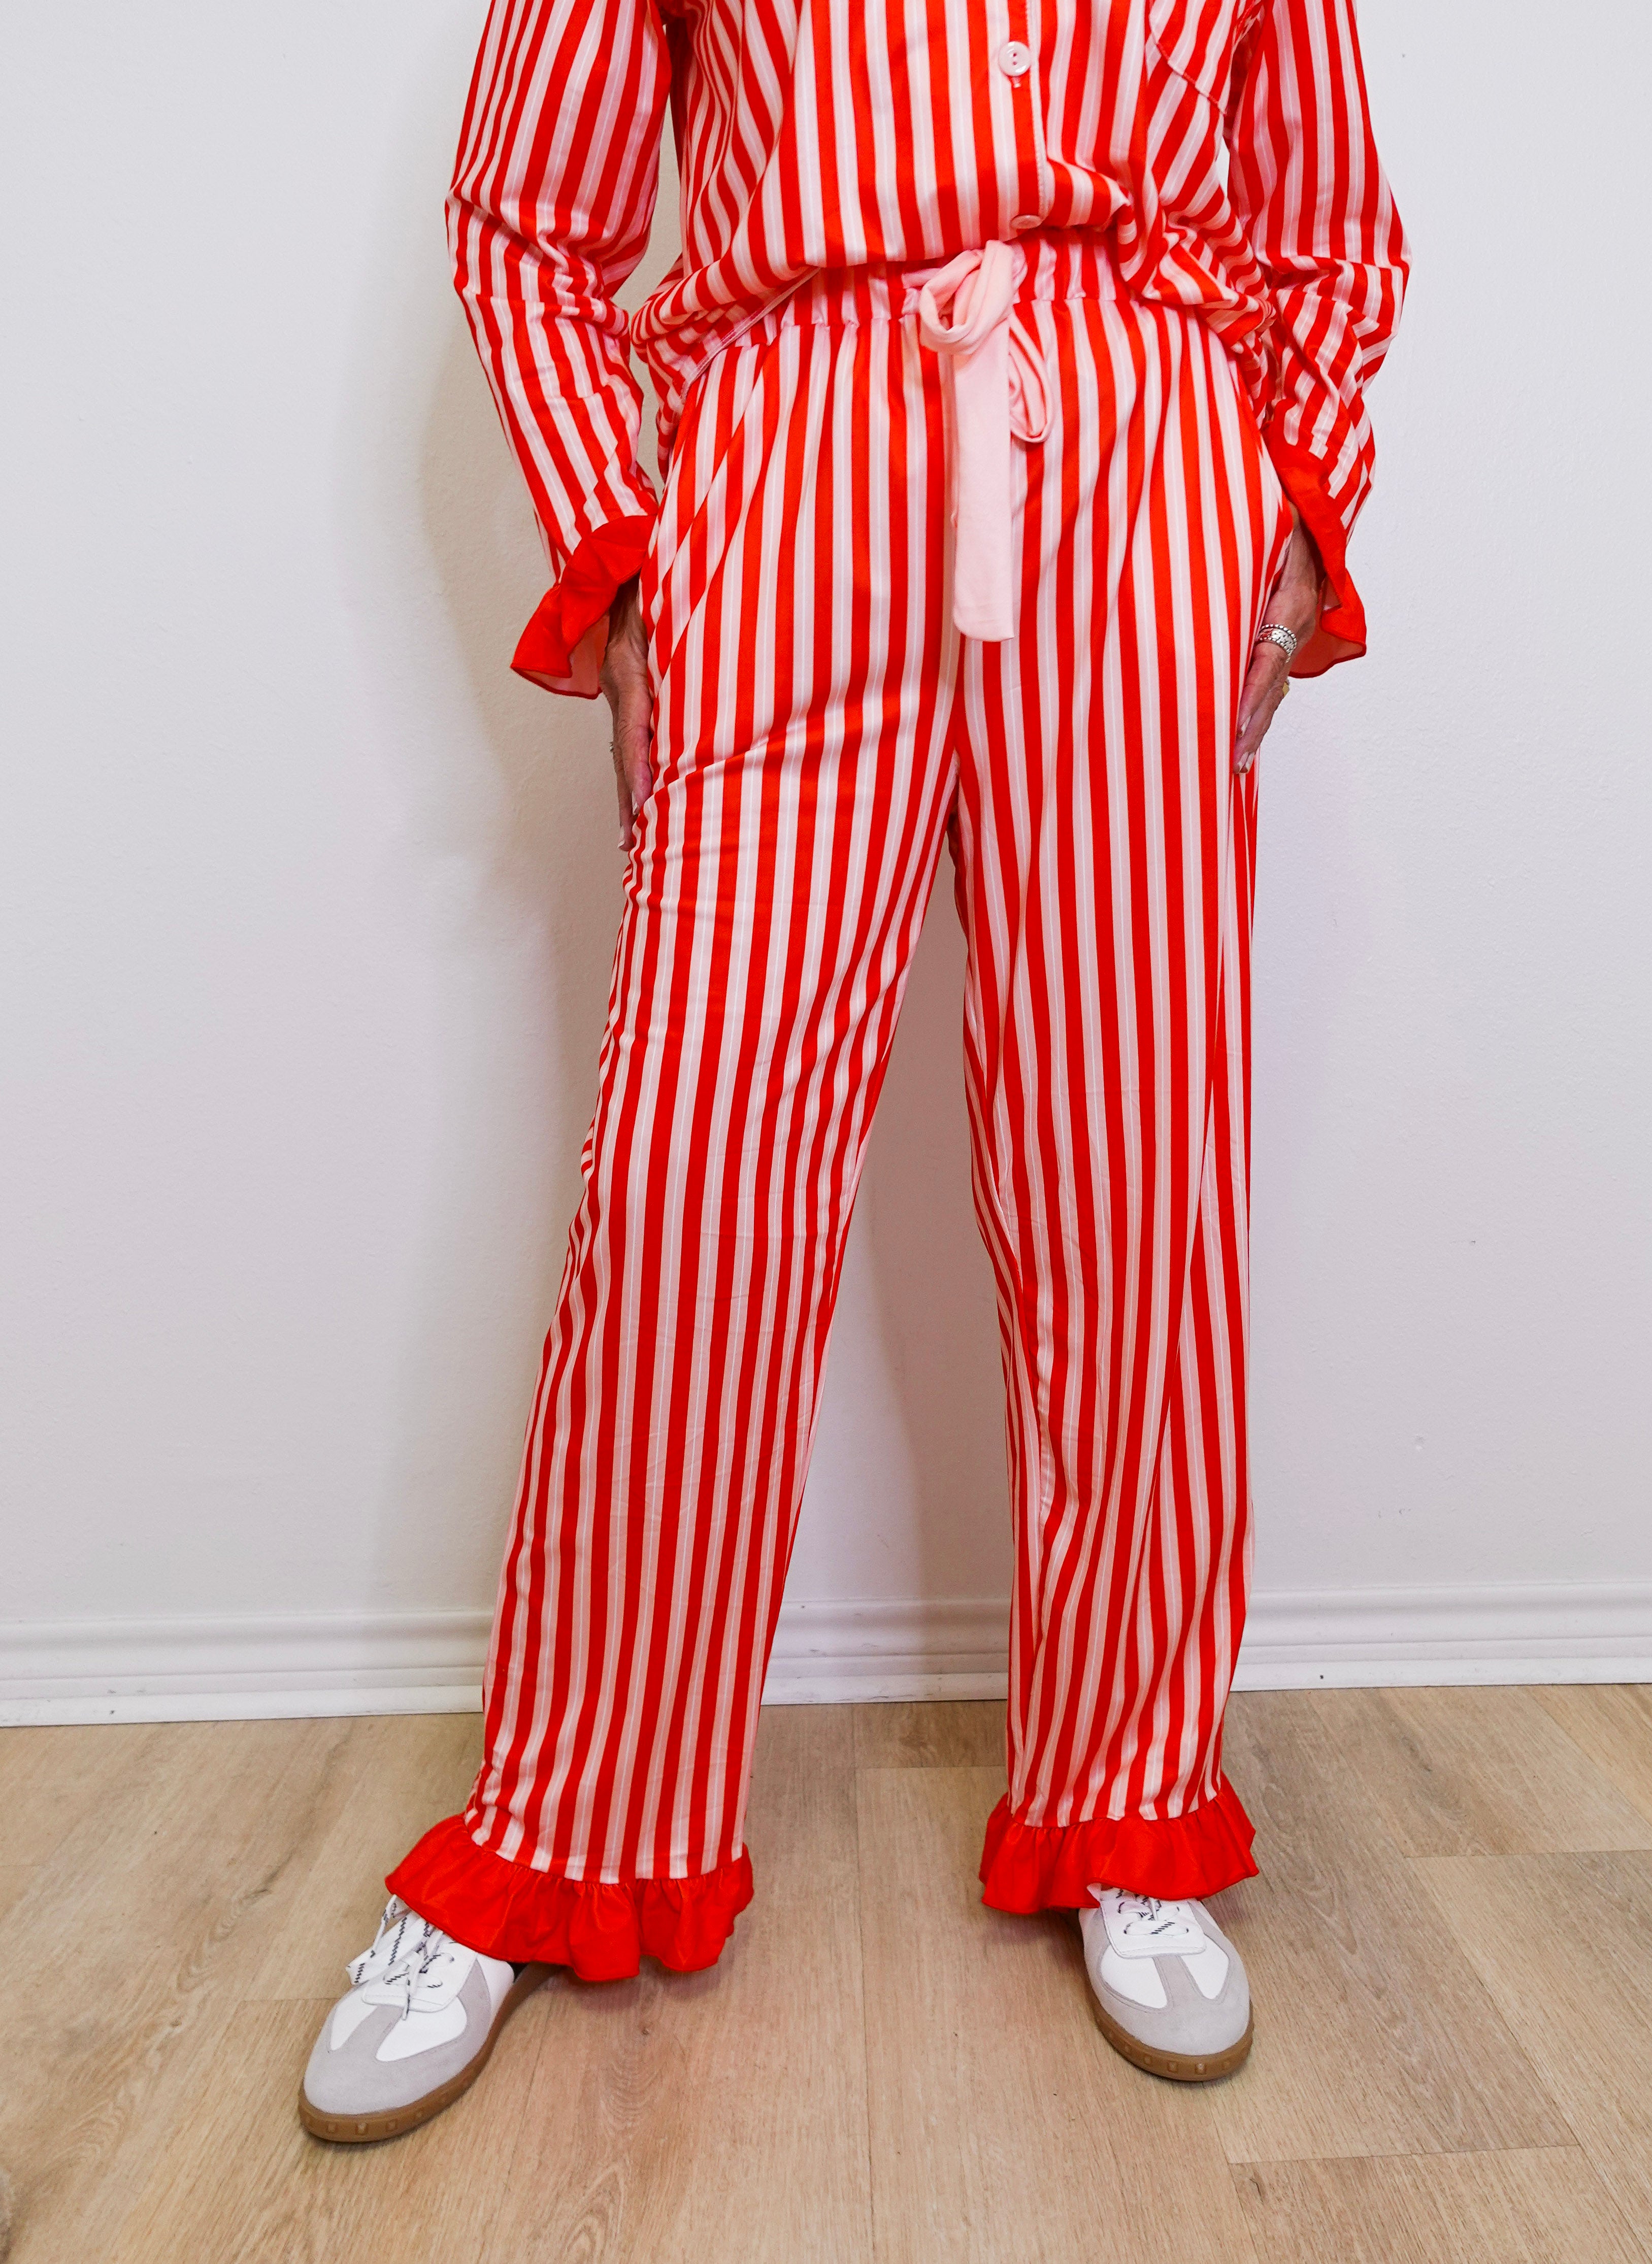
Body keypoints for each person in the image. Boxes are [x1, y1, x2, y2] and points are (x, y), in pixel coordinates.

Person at [298, 0, 1406, 2143]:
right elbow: (524, 214)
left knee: (1132, 1178)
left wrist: (1287, 500)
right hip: (790, 475)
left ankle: (1130, 1798)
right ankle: (567, 1820)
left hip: (1146, 486)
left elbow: (1334, 226)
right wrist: (623, 548)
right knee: (693, 1179)